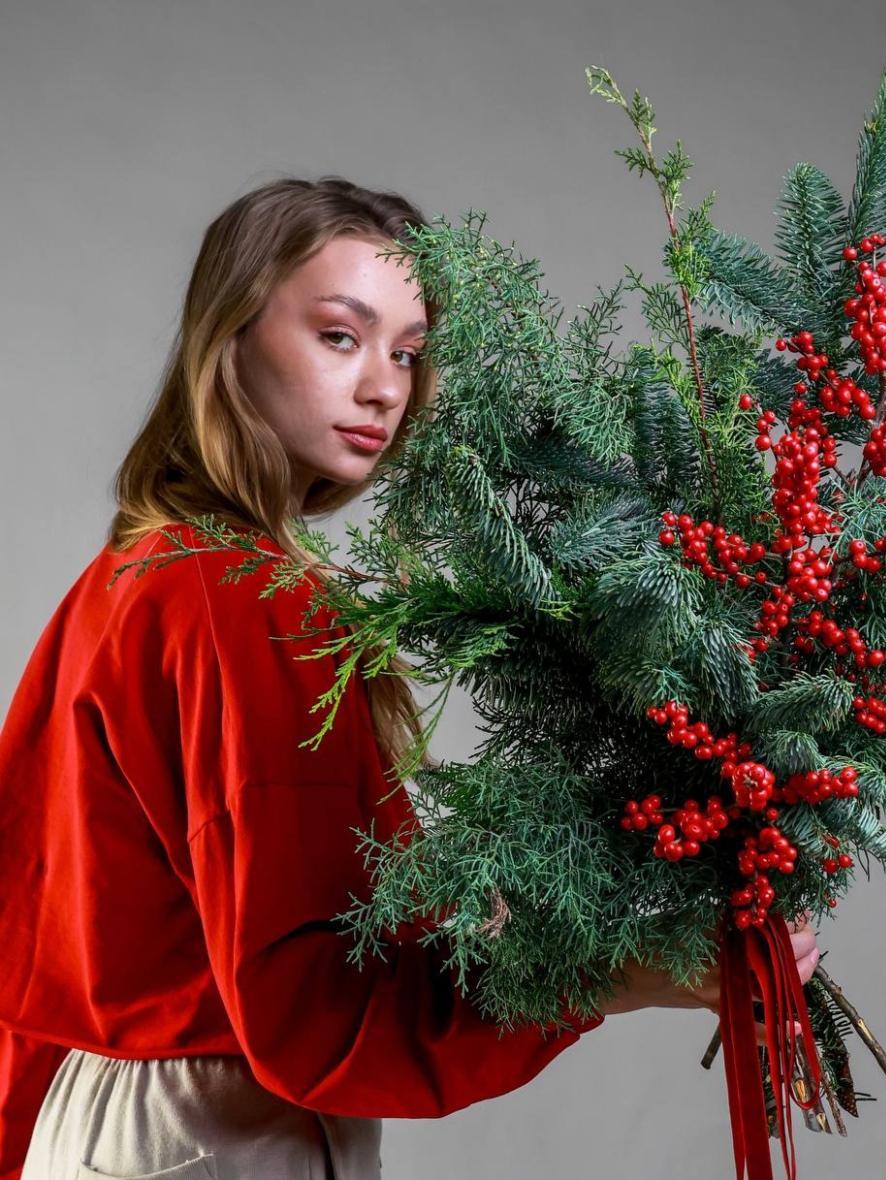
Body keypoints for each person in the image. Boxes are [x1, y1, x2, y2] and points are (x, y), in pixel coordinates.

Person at [0, 176, 820, 1180]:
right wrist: (624, 971)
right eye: (340, 336)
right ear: (231, 337)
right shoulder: (237, 599)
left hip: (109, 1126)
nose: (386, 387)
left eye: (408, 351)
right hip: (212, 1134)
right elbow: (318, 1012)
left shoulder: (141, 571)